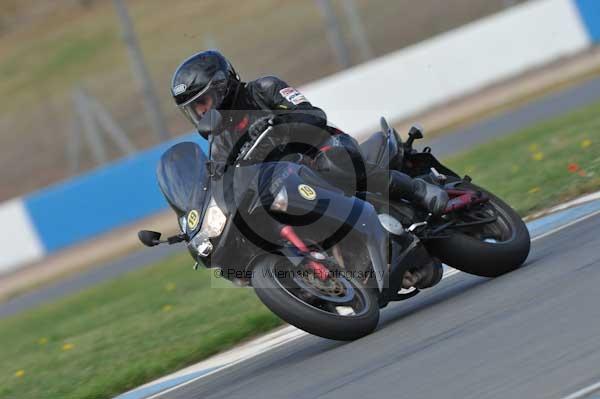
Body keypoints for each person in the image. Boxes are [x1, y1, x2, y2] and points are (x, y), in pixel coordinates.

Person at [170, 50, 448, 215]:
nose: (201, 113)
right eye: (193, 109)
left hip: (322, 148)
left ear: (221, 85)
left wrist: (275, 124)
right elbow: (223, 181)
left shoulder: (263, 89)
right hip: (286, 184)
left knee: (334, 165)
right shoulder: (220, 143)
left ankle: (417, 190)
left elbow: (315, 115)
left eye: (202, 102)